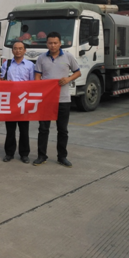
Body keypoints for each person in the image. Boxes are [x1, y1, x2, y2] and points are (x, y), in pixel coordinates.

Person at [33, 32, 81, 167]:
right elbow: (37, 76)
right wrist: (40, 89)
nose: (53, 45)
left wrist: (68, 79)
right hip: (46, 100)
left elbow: (78, 72)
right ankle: (41, 156)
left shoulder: (68, 56)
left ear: (60, 43)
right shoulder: (41, 58)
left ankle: (62, 156)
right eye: (50, 43)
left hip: (63, 99)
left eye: (55, 43)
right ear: (46, 44)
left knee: (62, 130)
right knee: (43, 129)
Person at [1, 41, 35, 164]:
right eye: (15, 48)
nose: (18, 50)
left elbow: (34, 84)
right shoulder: (7, 64)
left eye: (20, 48)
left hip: (23, 100)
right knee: (10, 129)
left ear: (25, 50)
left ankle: (24, 154)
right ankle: (9, 153)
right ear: (12, 50)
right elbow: (1, 80)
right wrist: (5, 83)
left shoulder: (30, 65)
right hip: (10, 100)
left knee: (24, 129)